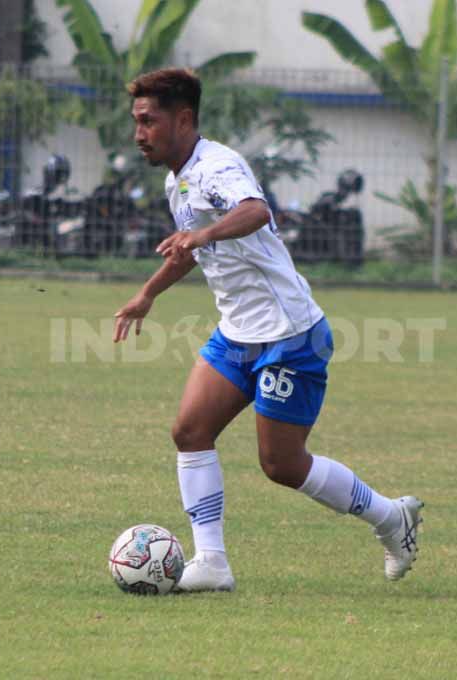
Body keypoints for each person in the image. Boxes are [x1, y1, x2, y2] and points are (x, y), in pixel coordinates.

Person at [112, 68, 423, 592]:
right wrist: (149, 293)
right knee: (189, 431)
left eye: (148, 121)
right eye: (137, 122)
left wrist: (205, 231)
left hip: (288, 334)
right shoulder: (178, 180)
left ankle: (392, 517)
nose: (139, 133)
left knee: (281, 464)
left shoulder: (217, 167)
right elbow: (195, 247)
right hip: (238, 333)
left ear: (183, 119)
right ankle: (211, 562)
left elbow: (256, 210)